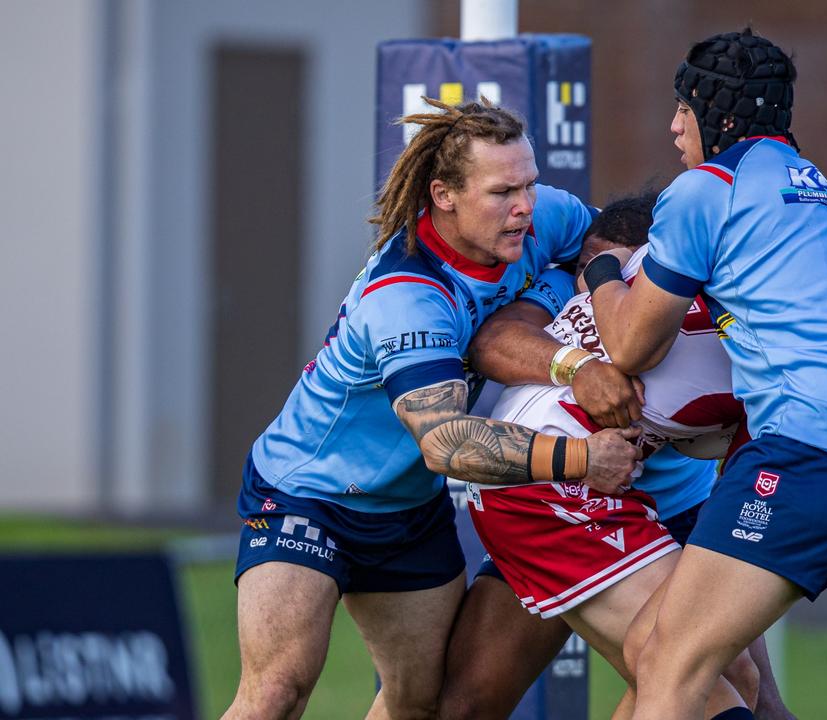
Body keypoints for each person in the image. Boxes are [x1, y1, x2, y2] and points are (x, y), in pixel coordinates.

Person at [222, 99, 641, 720]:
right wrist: (582, 458)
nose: (525, 205)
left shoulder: (538, 218)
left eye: (529, 183)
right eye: (503, 192)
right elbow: (447, 444)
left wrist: (565, 292)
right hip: (308, 491)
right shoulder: (408, 297)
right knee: (278, 692)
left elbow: (611, 244)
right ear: (443, 195)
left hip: (407, 510)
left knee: (419, 706)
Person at [581, 28, 827, 720]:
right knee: (659, 651)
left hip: (803, 462)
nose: (674, 127)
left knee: (673, 666)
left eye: (684, 108)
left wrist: (602, 270)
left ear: (719, 117)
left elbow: (632, 347)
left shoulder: (709, 188)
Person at [440, 192, 797, 720]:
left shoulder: (702, 310)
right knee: (469, 700)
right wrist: (579, 367)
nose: (590, 285)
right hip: (564, 485)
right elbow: (495, 341)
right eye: (591, 268)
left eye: (610, 270)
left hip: (672, 510)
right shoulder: (574, 282)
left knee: (731, 684)